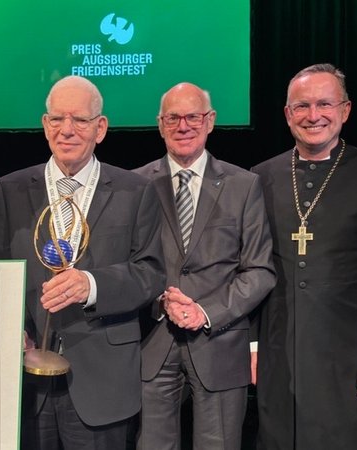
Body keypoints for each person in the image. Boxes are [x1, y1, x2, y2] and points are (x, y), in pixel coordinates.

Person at [0, 75, 164, 450]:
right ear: (45, 125)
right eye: (57, 119)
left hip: (102, 380)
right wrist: (10, 325)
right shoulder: (10, 189)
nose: (67, 130)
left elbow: (150, 273)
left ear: (100, 128)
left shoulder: (135, 190)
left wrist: (92, 285)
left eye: (80, 120)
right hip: (27, 378)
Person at [251, 64, 357, 449]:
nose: (313, 116)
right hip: (278, 350)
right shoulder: (259, 177)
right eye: (301, 106)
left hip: (351, 356)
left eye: (324, 104)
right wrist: (251, 345)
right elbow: (247, 268)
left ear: (345, 110)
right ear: (287, 114)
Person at [133, 82, 275, 449]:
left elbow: (260, 270)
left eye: (192, 116)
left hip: (219, 341)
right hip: (152, 340)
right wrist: (159, 301)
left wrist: (204, 312)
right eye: (173, 118)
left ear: (210, 121)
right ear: (160, 124)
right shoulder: (134, 185)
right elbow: (127, 266)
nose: (183, 126)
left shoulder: (244, 185)